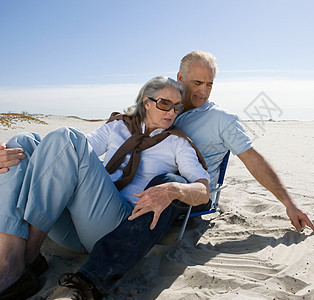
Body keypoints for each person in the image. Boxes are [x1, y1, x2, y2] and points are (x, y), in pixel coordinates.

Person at [1, 51, 314, 300]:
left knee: (73, 141)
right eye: (197, 84)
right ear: (176, 82)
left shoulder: (200, 130)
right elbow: (73, 150)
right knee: (23, 144)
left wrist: (288, 203)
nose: (203, 92)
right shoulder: (124, 124)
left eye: (210, 85)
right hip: (86, 208)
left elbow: (250, 160)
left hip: (141, 207)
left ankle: (21, 261)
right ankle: (12, 251)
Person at [0, 76, 210, 300]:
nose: (171, 112)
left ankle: (25, 258)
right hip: (71, 226)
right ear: (146, 102)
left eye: (177, 107)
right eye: (165, 104)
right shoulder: (119, 126)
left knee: (68, 137)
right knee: (22, 143)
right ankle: (7, 254)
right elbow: (63, 154)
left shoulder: (177, 142)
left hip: (112, 227)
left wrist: (174, 190)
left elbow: (203, 190)